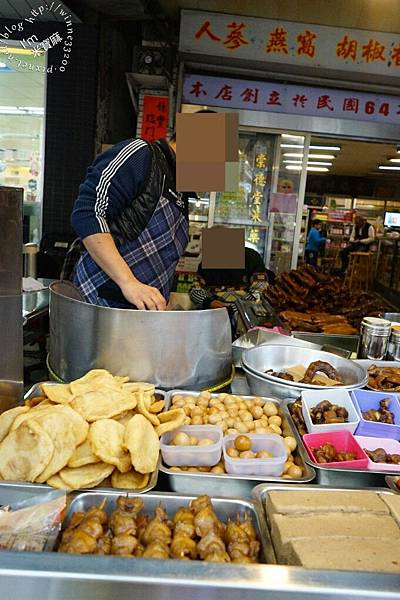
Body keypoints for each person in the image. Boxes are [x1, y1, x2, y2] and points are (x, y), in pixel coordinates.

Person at [70, 135, 191, 310]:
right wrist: (128, 282)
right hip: (99, 306)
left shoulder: (181, 191)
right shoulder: (141, 154)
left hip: (140, 316)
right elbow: (88, 213)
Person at [189, 246, 275, 310]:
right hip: (213, 313)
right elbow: (195, 290)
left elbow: (260, 291)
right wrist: (209, 302)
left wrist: (235, 308)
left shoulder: (251, 258)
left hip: (244, 313)